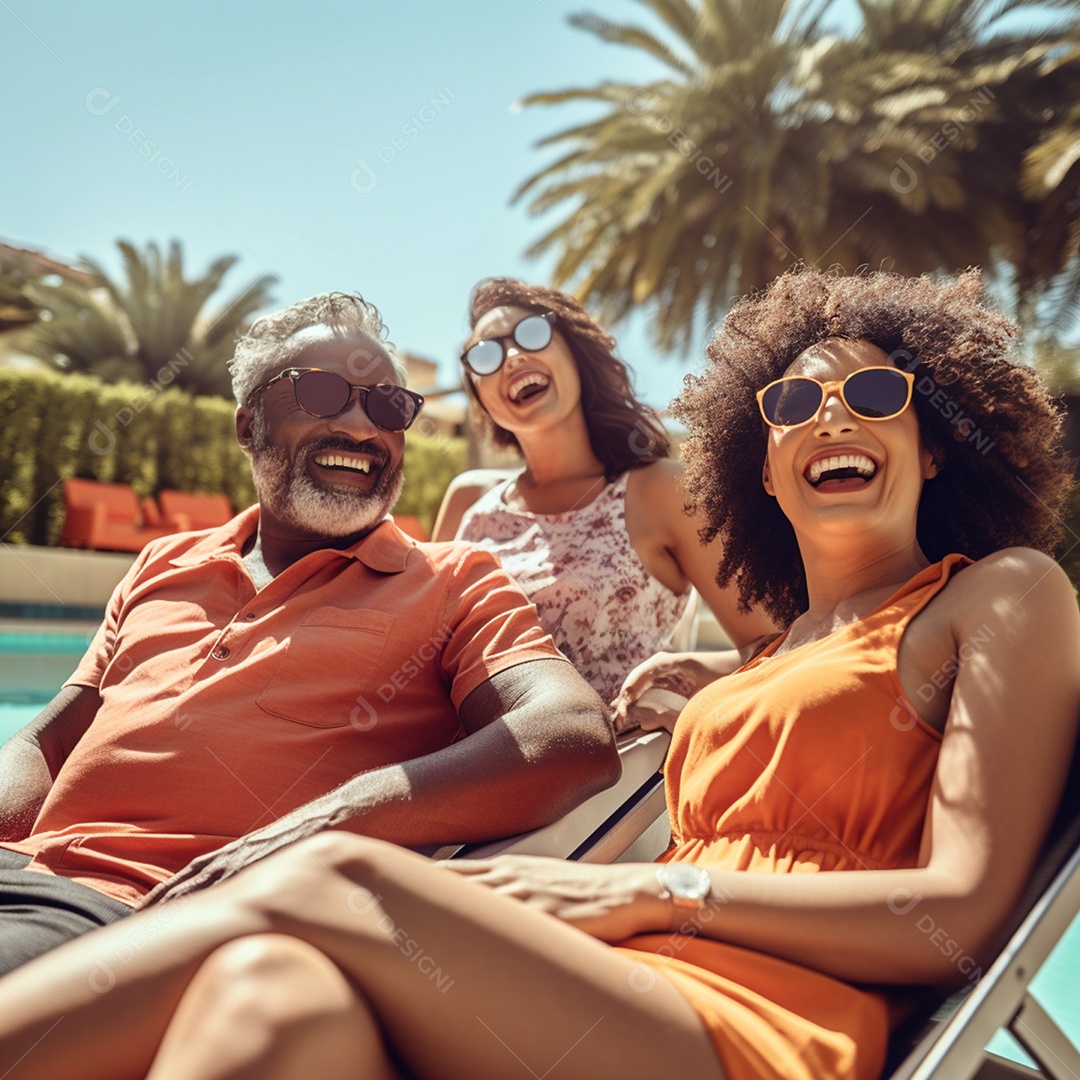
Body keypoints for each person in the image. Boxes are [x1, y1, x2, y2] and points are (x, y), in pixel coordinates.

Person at [2, 267, 1078, 1080]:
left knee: (336, 877)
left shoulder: (1000, 594)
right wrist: (720, 687)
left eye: (874, 394)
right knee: (272, 987)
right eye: (791, 408)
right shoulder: (759, 667)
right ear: (762, 473)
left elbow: (963, 911)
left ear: (935, 448)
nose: (829, 418)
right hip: (612, 977)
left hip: (762, 1014)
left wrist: (641, 888)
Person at [0, 291, 619, 977]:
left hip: (145, 913)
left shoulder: (452, 580)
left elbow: (571, 735)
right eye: (324, 393)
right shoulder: (164, 563)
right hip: (26, 878)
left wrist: (311, 832)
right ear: (248, 424)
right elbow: (44, 738)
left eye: (389, 406)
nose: (362, 426)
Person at [433, 278, 776, 708]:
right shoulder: (468, 503)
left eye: (531, 333)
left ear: (574, 353)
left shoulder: (662, 489)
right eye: (485, 354)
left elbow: (777, 648)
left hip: (614, 770)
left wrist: (687, 675)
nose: (513, 356)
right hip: (461, 761)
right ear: (479, 395)